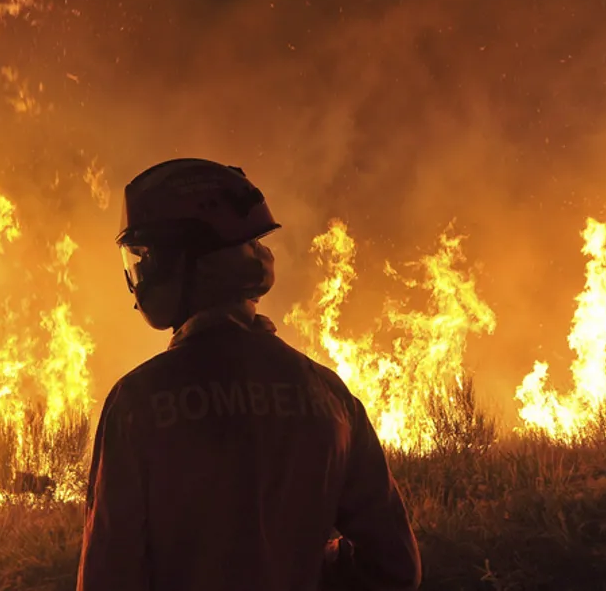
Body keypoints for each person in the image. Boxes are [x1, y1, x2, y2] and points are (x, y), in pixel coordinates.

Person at [76, 158, 421, 591]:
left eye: (146, 258)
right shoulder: (329, 396)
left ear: (179, 263)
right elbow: (395, 566)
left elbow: (110, 576)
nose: (140, 275)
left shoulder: (138, 404)